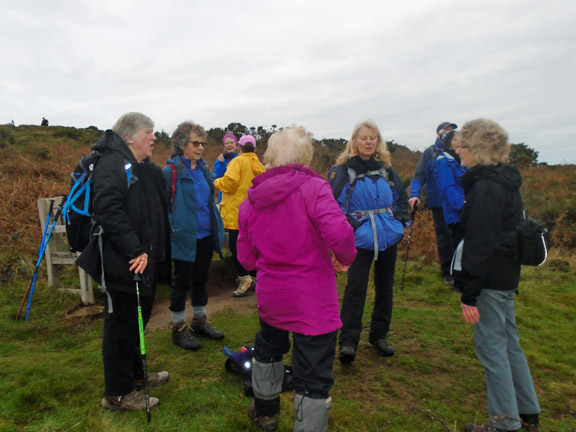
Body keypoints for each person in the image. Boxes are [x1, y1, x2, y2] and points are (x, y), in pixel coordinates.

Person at [237, 126, 357, 432]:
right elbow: (341, 234)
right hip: (313, 299)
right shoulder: (315, 189)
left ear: (269, 157)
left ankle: (266, 414)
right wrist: (343, 259)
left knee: (268, 349)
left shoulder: (251, 201)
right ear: (306, 157)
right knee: (313, 371)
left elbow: (247, 257)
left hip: (272, 295)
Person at [76, 112, 169, 411]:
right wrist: (134, 250)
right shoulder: (114, 163)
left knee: (135, 321)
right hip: (123, 261)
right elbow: (107, 208)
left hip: (140, 260)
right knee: (121, 324)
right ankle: (117, 394)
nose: (154, 137)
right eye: (148, 132)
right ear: (129, 136)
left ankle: (134, 375)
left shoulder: (135, 164)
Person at [452, 119, 540, 432]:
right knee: (509, 344)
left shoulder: (486, 187)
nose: (459, 152)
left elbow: (481, 243)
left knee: (491, 349)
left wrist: (469, 293)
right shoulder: (505, 181)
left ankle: (504, 423)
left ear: (478, 149)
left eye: (463, 146)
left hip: (489, 279)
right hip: (506, 275)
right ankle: (527, 412)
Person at [328, 119, 409, 364]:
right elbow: (333, 205)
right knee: (356, 290)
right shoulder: (342, 169)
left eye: (373, 138)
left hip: (387, 236)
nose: (368, 142)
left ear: (378, 141)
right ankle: (349, 341)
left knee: (385, 288)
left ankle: (379, 336)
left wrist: (399, 223)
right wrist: (354, 228)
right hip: (360, 239)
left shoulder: (386, 168)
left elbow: (402, 199)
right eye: (363, 138)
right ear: (354, 141)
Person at [164, 121, 226, 351]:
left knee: (200, 280)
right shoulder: (170, 172)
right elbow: (163, 207)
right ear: (181, 144)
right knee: (181, 282)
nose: (200, 147)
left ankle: (199, 321)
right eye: (195, 143)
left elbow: (209, 201)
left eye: (203, 143)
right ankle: (178, 328)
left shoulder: (204, 169)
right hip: (182, 237)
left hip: (205, 235)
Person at [214, 135, 265, 297]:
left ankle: (244, 278)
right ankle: (255, 277)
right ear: (254, 149)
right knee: (253, 246)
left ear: (239, 148)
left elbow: (229, 183)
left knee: (236, 247)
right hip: (255, 213)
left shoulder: (237, 162)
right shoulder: (259, 165)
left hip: (237, 213)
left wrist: (215, 182)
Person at [409, 121, 458, 284]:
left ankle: (461, 269)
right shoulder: (430, 152)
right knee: (444, 237)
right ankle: (447, 272)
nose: (449, 134)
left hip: (458, 202)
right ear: (438, 134)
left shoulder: (459, 151)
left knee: (459, 236)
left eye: (452, 131)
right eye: (446, 131)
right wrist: (414, 195)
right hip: (438, 203)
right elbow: (419, 176)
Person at [434, 130, 466, 247]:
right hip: (456, 215)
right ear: (448, 143)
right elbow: (447, 189)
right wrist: (463, 207)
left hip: (467, 212)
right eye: (455, 139)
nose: (459, 141)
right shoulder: (444, 161)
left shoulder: (461, 160)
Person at [213, 132, 238, 203]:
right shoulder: (220, 160)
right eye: (227, 143)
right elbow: (216, 177)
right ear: (224, 146)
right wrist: (221, 164)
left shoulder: (240, 158)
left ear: (236, 145)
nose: (229, 145)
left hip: (238, 196)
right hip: (224, 197)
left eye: (231, 142)